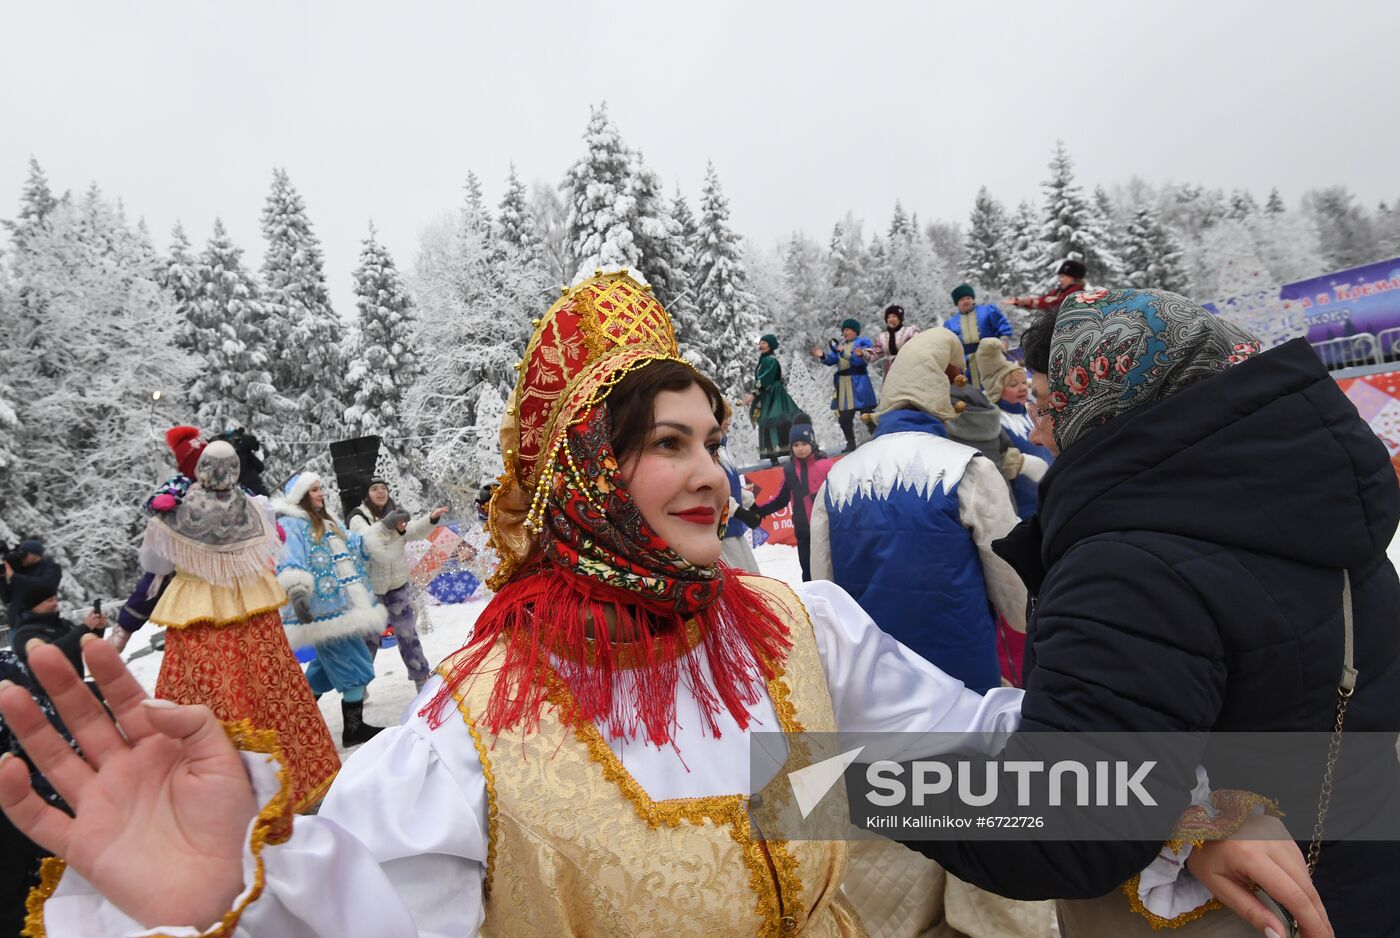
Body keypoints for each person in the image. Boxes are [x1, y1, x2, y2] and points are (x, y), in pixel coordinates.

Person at [0, 274, 1329, 938]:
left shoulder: (797, 627)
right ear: (580, 477)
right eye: (662, 444)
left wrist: (1191, 804)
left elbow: (979, 757)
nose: (709, 472)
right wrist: (205, 896)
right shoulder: (475, 725)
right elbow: (331, 906)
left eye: (708, 435)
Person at [882, 288, 1395, 935]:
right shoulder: (1309, 502)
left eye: (1047, 405)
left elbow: (1065, 824)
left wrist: (870, 784)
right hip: (1360, 886)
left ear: (1107, 403)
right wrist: (1202, 818)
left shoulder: (1128, 565)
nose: (1039, 429)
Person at [808, 329, 1027, 695]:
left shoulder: (837, 478)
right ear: (942, 396)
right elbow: (1010, 579)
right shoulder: (969, 468)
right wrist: (1023, 621)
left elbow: (824, 586)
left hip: (874, 678)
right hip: (959, 676)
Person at [140, 440, 339, 809]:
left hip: (197, 611)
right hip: (253, 609)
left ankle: (214, 794)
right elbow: (271, 550)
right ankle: (291, 782)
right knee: (269, 690)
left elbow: (155, 565)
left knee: (209, 694)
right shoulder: (255, 507)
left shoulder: (176, 511)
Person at [0, 586, 103, 938]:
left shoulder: (8, 669)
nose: (53, 603)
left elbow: (50, 728)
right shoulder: (23, 641)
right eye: (45, 600)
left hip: (37, 815)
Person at [274, 472, 388, 747]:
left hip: (343, 608)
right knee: (355, 664)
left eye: (320, 488)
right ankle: (354, 729)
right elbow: (290, 560)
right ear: (301, 496)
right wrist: (298, 591)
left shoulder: (329, 521)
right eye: (314, 490)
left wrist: (385, 528)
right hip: (323, 612)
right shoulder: (292, 524)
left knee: (321, 672)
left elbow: (357, 546)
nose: (321, 493)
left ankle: (296, 724)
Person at [348, 480, 448, 693]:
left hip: (397, 586)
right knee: (369, 641)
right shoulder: (358, 517)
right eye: (374, 488)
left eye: (383, 488)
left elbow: (411, 531)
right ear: (366, 495)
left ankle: (421, 679)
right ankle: (358, 687)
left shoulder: (395, 513)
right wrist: (386, 525)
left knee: (408, 634)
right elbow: (365, 539)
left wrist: (431, 519)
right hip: (371, 591)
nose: (380, 491)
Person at [975, 338, 1053, 522]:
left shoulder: (1033, 411)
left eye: (1023, 383)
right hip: (1026, 508)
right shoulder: (995, 423)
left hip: (1053, 498)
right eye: (1013, 385)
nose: (1021, 389)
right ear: (997, 389)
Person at [754, 417, 830, 582]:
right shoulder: (789, 470)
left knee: (828, 571)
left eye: (804, 443)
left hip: (825, 531)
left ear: (812, 443)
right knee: (808, 574)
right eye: (796, 445)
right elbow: (781, 499)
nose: (800, 449)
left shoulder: (825, 466)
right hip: (803, 532)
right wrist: (759, 510)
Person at [812, 318, 877, 452]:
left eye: (847, 329)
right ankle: (851, 442)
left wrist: (842, 351)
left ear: (855, 331)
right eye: (843, 330)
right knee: (844, 417)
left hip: (859, 382)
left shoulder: (862, 343)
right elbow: (832, 360)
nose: (844, 332)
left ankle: (878, 437)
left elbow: (859, 361)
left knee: (867, 413)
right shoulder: (840, 345)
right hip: (844, 383)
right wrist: (822, 356)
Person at [744, 333, 802, 465]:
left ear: (770, 346)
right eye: (760, 343)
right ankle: (775, 454)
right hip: (767, 394)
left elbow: (765, 378)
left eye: (764, 343)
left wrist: (754, 393)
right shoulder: (764, 359)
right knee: (772, 420)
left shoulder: (770, 360)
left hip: (774, 394)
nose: (761, 345)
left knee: (778, 419)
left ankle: (784, 452)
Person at [717, 409, 762, 574]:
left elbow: (731, 482)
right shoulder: (709, 452)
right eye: (725, 417)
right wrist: (739, 512)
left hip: (733, 528)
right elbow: (715, 493)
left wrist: (751, 503)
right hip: (721, 530)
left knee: (752, 575)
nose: (729, 421)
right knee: (742, 578)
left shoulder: (722, 450)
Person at [944, 284, 1012, 385]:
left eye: (968, 298)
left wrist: (1004, 340)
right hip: (967, 365)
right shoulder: (950, 323)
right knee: (973, 392)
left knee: (996, 386)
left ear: (973, 299)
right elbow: (948, 344)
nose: (966, 301)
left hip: (991, 357)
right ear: (957, 303)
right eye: (962, 299)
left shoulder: (988, 311)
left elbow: (1002, 325)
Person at [1, 539, 62, 632]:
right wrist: (1, 579)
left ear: (35, 554)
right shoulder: (21, 571)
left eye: (25, 554)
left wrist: (14, 576)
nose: (22, 558)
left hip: (41, 622)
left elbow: (44, 585)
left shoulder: (51, 567)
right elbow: (7, 598)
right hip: (17, 625)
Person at [1004, 259, 1087, 314]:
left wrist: (1033, 302)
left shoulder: (1077, 292)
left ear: (1074, 278)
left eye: (1063, 277)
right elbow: (1043, 300)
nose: (1060, 280)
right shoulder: (1059, 291)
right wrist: (1020, 302)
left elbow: (1058, 304)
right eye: (1060, 276)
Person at [868, 303, 920, 378]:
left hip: (908, 369)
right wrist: (863, 353)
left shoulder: (909, 331)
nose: (891, 319)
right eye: (888, 317)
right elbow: (876, 352)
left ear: (900, 318)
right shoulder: (883, 337)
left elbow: (919, 346)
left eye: (894, 316)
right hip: (890, 371)